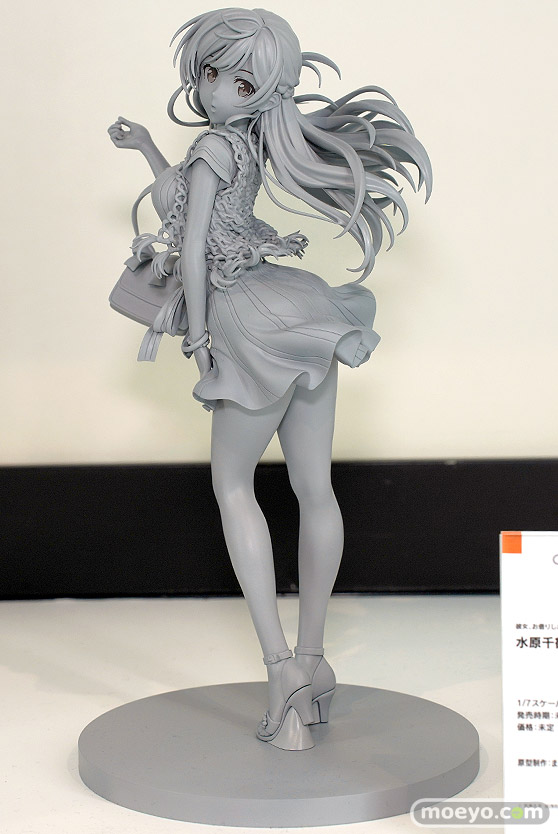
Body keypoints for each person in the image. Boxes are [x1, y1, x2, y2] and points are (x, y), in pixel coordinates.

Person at [108, 7, 431, 750]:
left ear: (262, 90)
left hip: (242, 316)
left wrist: (196, 337)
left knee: (233, 486)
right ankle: (314, 661)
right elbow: (195, 206)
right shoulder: (249, 141)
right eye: (208, 73)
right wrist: (149, 147)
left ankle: (283, 669)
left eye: (235, 79)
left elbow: (193, 248)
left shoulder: (214, 145)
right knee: (314, 487)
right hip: (295, 305)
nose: (212, 88)